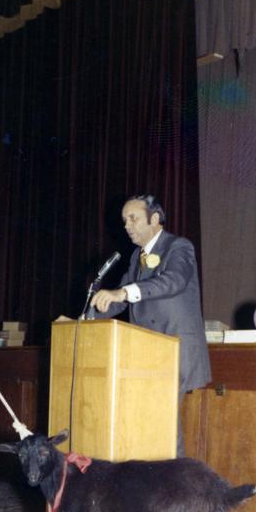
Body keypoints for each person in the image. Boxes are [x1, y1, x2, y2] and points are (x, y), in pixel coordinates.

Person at [90, 194, 210, 457]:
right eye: (124, 221)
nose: (127, 226)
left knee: (163, 423)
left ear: (155, 219)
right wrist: (83, 321)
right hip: (147, 354)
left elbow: (173, 281)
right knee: (150, 422)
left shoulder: (178, 247)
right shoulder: (137, 256)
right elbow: (118, 300)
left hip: (174, 349)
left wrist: (122, 293)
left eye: (133, 218)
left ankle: (176, 490)